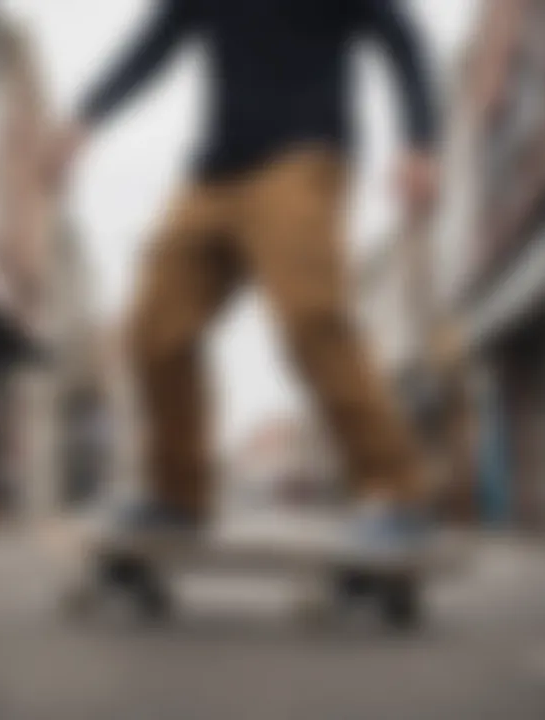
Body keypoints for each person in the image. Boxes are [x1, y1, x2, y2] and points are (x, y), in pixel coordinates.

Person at [50, 0, 439, 552]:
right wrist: (83, 118)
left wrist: (419, 140)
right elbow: (151, 45)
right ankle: (178, 495)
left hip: (304, 157)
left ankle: (396, 492)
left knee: (311, 317)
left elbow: (401, 38)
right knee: (155, 330)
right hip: (214, 174)